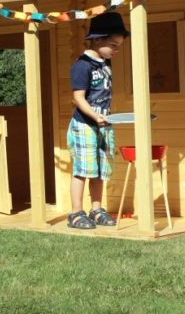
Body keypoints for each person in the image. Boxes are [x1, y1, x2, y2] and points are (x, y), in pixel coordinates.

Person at [66, 12, 129, 229]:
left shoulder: (106, 62)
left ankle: (96, 209)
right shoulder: (82, 66)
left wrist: (105, 117)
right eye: (112, 44)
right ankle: (75, 213)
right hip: (84, 125)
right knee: (83, 169)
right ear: (97, 39)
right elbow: (78, 98)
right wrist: (95, 116)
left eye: (118, 45)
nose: (116, 49)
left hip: (103, 123)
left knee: (100, 169)